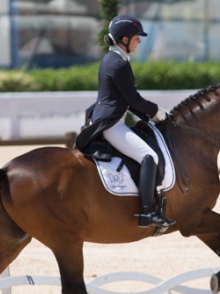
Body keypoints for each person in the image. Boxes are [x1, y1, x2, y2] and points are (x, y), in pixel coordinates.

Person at [75, 14, 175, 229]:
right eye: (137, 37)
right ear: (124, 39)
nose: (140, 41)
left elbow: (128, 101)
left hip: (113, 119)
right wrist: (157, 112)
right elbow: (133, 100)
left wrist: (150, 116)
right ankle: (147, 212)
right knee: (149, 156)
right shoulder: (118, 64)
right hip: (112, 125)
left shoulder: (116, 60)